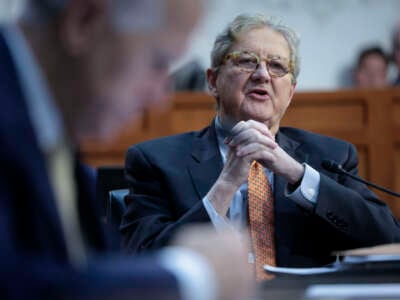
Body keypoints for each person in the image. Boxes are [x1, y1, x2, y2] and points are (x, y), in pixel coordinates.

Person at [0, 0, 253, 299]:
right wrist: (191, 276)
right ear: (84, 22)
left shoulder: (52, 137)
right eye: (158, 63)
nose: (159, 99)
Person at [122, 13, 400, 279]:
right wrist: (226, 185)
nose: (263, 75)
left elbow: (389, 237)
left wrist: (298, 175)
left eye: (277, 66)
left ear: (290, 92)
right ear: (213, 81)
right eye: (246, 61)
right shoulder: (155, 161)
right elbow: (145, 263)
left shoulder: (330, 157)